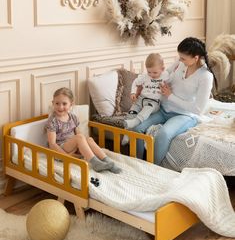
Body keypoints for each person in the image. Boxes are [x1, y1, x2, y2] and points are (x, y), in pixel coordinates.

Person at [132, 37, 215, 165]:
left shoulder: (205, 76)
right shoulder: (181, 63)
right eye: (179, 57)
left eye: (183, 58)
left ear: (196, 58)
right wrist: (148, 85)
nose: (179, 60)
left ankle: (152, 168)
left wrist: (170, 95)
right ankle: (136, 164)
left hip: (184, 115)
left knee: (163, 134)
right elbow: (164, 75)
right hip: (164, 108)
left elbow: (198, 109)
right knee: (137, 127)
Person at [45, 87, 121, 173]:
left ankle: (107, 160)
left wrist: (85, 144)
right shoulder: (52, 121)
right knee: (80, 137)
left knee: (89, 139)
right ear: (53, 103)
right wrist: (67, 157)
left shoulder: (72, 117)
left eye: (64, 104)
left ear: (71, 104)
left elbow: (79, 134)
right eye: (57, 103)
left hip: (73, 147)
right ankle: (96, 163)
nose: (60, 107)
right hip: (60, 151)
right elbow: (52, 144)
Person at [124, 53, 171, 129]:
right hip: (141, 99)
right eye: (149, 72)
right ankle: (126, 134)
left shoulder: (165, 75)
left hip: (154, 102)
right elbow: (135, 82)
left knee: (147, 109)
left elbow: (173, 81)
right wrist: (133, 92)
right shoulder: (145, 76)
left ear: (162, 69)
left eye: (155, 72)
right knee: (132, 111)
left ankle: (136, 121)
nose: (151, 75)